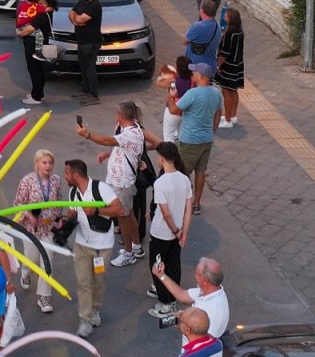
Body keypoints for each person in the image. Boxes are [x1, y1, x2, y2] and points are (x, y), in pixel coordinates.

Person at [77, 101, 146, 267]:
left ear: (121, 117)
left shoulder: (129, 134)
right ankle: (137, 247)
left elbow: (108, 140)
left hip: (122, 183)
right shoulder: (134, 128)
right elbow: (121, 147)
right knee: (129, 215)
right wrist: (109, 155)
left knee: (123, 216)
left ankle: (129, 253)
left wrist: (87, 135)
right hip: (124, 180)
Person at [60, 158, 123, 338]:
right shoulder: (73, 193)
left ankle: (95, 309)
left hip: (102, 247)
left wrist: (97, 211)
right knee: (83, 283)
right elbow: (72, 212)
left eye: (67, 173)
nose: (65, 176)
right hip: (82, 245)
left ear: (76, 175)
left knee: (98, 282)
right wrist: (64, 221)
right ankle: (85, 319)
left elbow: (118, 209)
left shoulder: (100, 188)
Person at [13, 149, 67, 313]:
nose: (48, 166)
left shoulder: (56, 180)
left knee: (47, 262)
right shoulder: (27, 181)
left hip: (48, 229)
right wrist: (28, 216)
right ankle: (25, 272)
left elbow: (59, 202)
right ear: (37, 164)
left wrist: (59, 219)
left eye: (50, 163)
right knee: (31, 258)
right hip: (31, 229)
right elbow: (18, 204)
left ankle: (44, 297)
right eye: (44, 162)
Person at [168, 62, 222, 216]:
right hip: (207, 139)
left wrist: (171, 96)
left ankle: (182, 204)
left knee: (183, 173)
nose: (192, 75)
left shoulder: (193, 94)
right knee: (200, 171)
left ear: (201, 76)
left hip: (190, 140)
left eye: (195, 72)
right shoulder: (216, 92)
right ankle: (197, 203)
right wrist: (213, 130)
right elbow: (218, 113)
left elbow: (173, 110)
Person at [147, 141, 194, 319]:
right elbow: (188, 210)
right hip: (178, 232)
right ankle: (172, 294)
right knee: (173, 264)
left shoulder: (161, 183)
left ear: (162, 158)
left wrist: (175, 230)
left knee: (157, 265)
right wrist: (183, 233)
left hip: (161, 232)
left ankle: (166, 303)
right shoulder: (184, 179)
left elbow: (165, 214)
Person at [150, 257, 229, 337]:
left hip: (194, 349)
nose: (194, 276)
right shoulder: (208, 291)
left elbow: (206, 341)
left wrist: (184, 323)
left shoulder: (214, 310)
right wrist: (161, 275)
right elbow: (182, 295)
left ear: (206, 280)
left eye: (197, 274)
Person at [17, 0, 55, 104]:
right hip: (40, 45)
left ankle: (36, 97)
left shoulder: (42, 14)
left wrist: (20, 33)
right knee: (39, 69)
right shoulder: (45, 11)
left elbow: (29, 29)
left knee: (35, 69)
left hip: (35, 47)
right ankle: (38, 93)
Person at [70, 0, 102, 105]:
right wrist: (76, 21)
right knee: (83, 66)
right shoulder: (82, 1)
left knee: (89, 67)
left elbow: (80, 19)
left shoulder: (94, 5)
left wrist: (77, 20)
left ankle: (94, 95)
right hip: (82, 41)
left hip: (91, 42)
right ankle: (85, 90)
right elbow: (72, 14)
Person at [214, 9, 244, 128]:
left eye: (226, 16)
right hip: (238, 64)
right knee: (234, 90)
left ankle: (227, 120)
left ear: (231, 19)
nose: (224, 17)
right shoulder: (240, 32)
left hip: (228, 66)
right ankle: (233, 115)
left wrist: (217, 65)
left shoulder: (229, 34)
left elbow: (224, 53)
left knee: (226, 91)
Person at [184, 0, 221, 71]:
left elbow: (185, 41)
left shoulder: (197, 26)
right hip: (211, 67)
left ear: (201, 11)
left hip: (196, 68)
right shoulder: (218, 26)